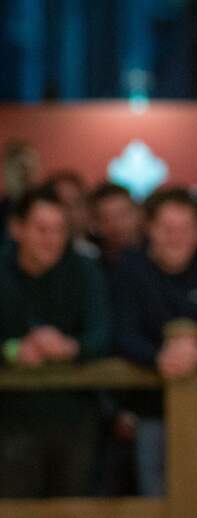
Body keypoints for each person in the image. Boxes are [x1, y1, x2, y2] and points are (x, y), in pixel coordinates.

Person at [111, 188, 197, 496]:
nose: (176, 237)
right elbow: (121, 334)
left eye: (184, 229)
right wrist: (158, 357)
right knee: (155, 499)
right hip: (152, 410)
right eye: (167, 229)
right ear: (149, 229)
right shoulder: (130, 270)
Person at [0, 185, 110, 497]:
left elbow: (103, 334)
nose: (51, 239)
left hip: (73, 416)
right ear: (17, 228)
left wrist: (68, 347)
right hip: (11, 417)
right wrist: (13, 349)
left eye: (59, 230)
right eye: (41, 229)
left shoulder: (84, 269)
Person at [89, 182, 143, 269]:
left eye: (123, 214)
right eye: (107, 218)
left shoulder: (159, 257)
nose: (118, 224)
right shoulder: (92, 265)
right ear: (96, 224)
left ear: (138, 214)